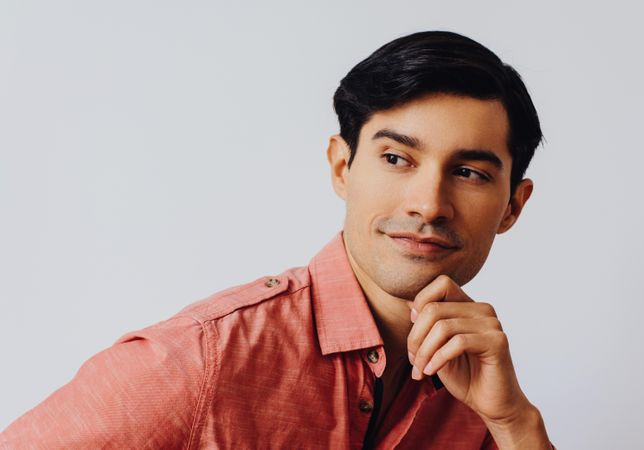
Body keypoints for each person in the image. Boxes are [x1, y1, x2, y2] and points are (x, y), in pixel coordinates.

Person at [1, 30, 555, 449]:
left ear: (513, 206)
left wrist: (516, 424)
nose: (428, 204)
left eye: (469, 173)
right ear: (342, 167)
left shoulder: (480, 394)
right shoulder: (205, 357)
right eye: (395, 159)